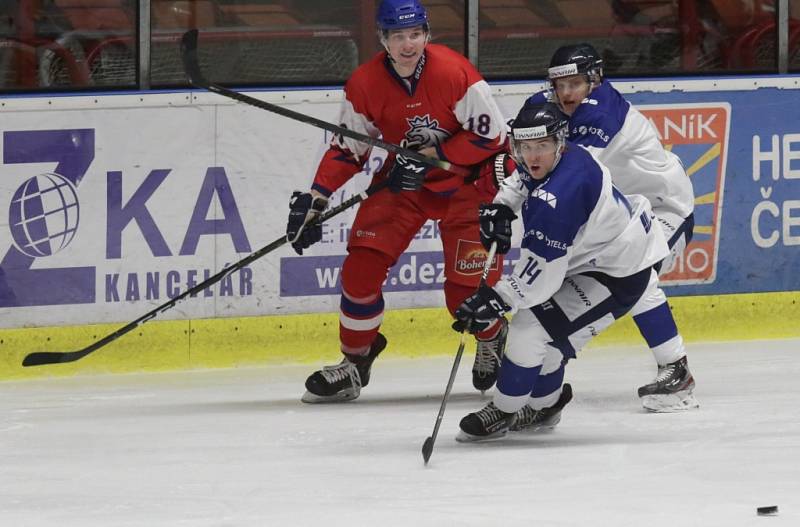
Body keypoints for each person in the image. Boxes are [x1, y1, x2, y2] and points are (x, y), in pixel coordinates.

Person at [285, 0, 510, 403]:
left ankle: (492, 336)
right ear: (382, 39)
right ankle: (356, 361)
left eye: (415, 34)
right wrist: (316, 198)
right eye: (398, 36)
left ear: (426, 34)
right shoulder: (364, 84)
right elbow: (348, 149)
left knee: (464, 298)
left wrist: (428, 160)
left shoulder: (456, 74)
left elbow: (490, 138)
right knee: (360, 270)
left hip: (467, 186)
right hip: (403, 186)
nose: (408, 44)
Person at [453, 101, 669, 441]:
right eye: (526, 147)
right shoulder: (556, 156)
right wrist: (502, 207)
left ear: (559, 142)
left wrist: (496, 300)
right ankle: (545, 408)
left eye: (542, 146)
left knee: (529, 327)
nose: (533, 156)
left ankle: (504, 411)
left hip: (618, 271)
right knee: (549, 343)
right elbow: (521, 178)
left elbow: (540, 281)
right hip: (596, 256)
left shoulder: (559, 197)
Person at [525, 43, 698, 412]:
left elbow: (568, 175)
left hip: (663, 208)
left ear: (595, 78)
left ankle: (676, 368)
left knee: (638, 268)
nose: (567, 93)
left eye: (575, 83)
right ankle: (547, 372)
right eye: (560, 85)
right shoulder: (550, 102)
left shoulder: (600, 112)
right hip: (615, 219)